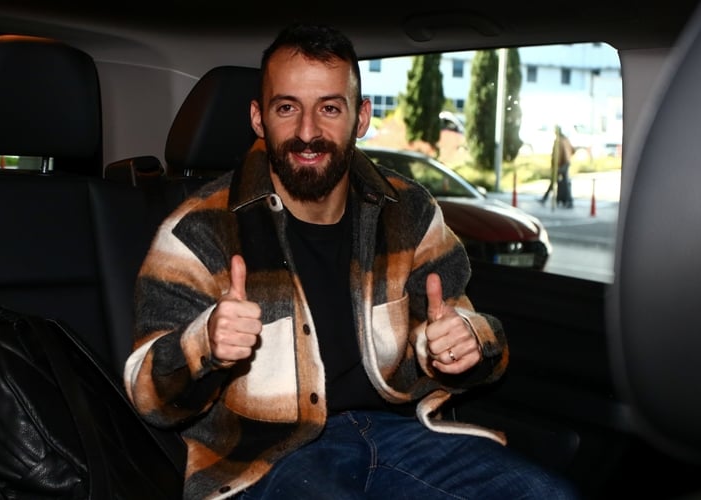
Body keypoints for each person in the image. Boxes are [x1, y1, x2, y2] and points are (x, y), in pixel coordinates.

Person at [124, 23, 580, 500]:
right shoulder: (197, 229)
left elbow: (468, 334)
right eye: (287, 108)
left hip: (405, 432)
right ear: (259, 119)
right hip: (268, 455)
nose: (307, 133)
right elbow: (146, 395)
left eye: (329, 108)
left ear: (361, 117)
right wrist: (205, 345)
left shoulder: (410, 210)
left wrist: (465, 343)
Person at [539, 125, 574, 208]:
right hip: (566, 163)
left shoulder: (558, 141)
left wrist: (555, 166)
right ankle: (567, 201)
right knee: (564, 183)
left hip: (561, 164)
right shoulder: (566, 139)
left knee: (558, 182)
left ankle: (545, 198)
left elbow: (557, 155)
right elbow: (573, 150)